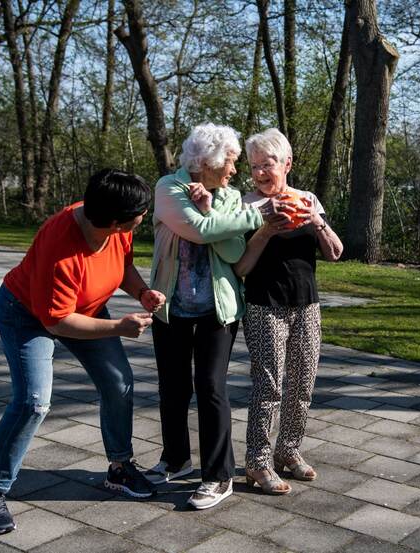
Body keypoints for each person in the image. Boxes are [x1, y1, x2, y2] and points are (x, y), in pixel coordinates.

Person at [0, 169, 166, 535]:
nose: (143, 218)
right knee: (33, 401)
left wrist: (141, 292)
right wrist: (119, 328)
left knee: (119, 382)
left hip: (86, 309)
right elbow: (57, 322)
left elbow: (121, 266)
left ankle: (120, 467)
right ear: (114, 221)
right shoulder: (60, 247)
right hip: (27, 315)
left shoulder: (114, 229)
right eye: (138, 215)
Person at [146, 123, 288, 509]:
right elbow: (199, 230)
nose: (235, 170)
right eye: (230, 161)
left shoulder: (226, 196)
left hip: (218, 310)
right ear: (206, 161)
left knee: (210, 388)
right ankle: (174, 459)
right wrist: (257, 215)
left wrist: (220, 213)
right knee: (173, 388)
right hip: (170, 307)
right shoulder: (168, 188)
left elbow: (230, 250)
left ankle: (218, 475)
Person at [235, 128, 343, 495]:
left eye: (268, 165)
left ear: (287, 164)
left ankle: (289, 451)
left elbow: (335, 252)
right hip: (265, 305)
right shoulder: (246, 205)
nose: (261, 173)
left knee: (303, 384)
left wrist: (316, 221)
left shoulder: (307, 199)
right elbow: (241, 267)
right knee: (268, 387)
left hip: (307, 304)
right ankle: (258, 461)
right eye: (254, 167)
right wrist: (265, 230)